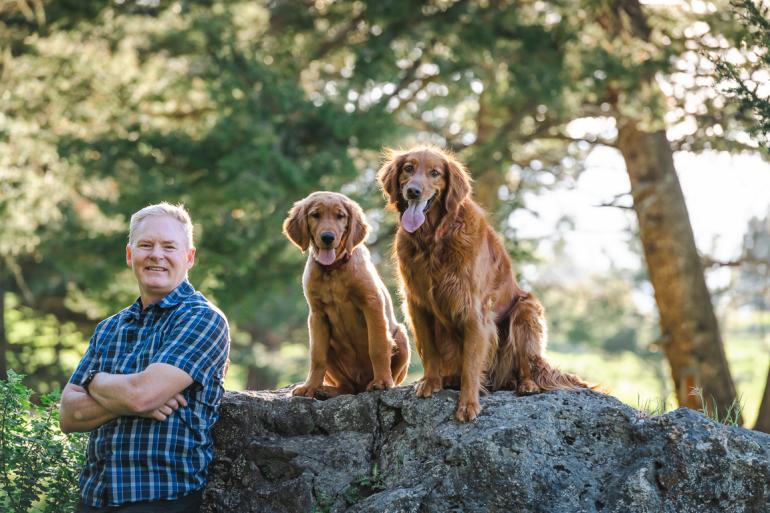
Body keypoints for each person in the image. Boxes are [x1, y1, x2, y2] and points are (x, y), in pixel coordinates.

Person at [60, 202, 230, 513]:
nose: (156, 255)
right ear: (130, 254)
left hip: (162, 500)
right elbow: (69, 415)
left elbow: (141, 396)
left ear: (189, 257)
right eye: (146, 245)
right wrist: (133, 397)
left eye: (169, 246)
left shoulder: (203, 320)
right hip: (93, 500)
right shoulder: (109, 328)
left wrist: (97, 383)